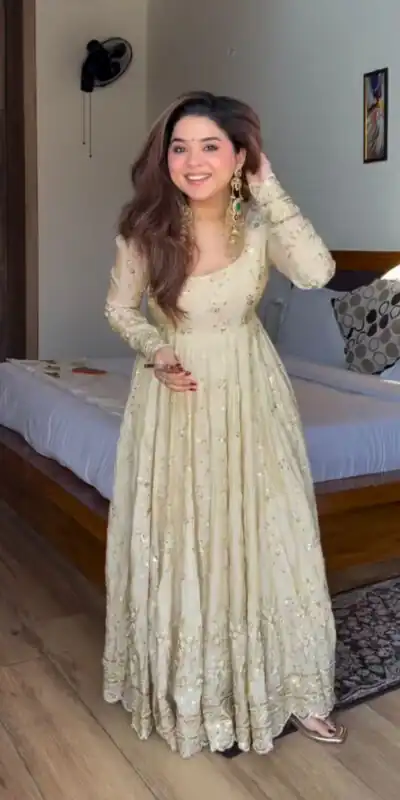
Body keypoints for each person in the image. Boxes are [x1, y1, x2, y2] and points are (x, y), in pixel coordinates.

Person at [103, 90, 347, 759]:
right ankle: (195, 695)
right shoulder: (145, 230)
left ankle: (297, 689)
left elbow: (318, 272)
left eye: (211, 146)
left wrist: (268, 186)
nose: (193, 161)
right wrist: (155, 350)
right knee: (185, 536)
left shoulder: (259, 222)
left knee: (274, 530)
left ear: (240, 156)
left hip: (250, 390)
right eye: (179, 148)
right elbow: (121, 310)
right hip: (174, 396)